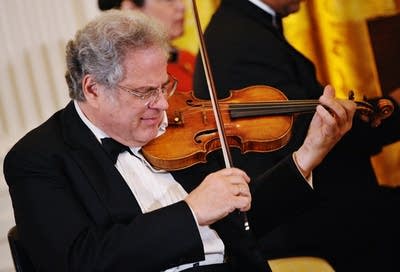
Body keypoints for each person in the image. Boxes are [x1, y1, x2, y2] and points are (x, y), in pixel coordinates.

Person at [3, 10, 355, 272]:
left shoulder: (177, 128)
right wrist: (190, 212)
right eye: (144, 92)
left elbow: (246, 222)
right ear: (93, 88)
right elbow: (79, 261)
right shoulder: (39, 158)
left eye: (164, 86)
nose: (161, 103)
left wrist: (309, 154)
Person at [193, 0, 400, 270]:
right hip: (291, 219)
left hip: (310, 203)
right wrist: (393, 109)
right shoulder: (240, 37)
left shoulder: (248, 24)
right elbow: (310, 136)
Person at [98, 0, 195, 93]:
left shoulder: (188, 58)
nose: (182, 6)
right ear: (131, 9)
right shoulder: (123, 76)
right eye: (168, 0)